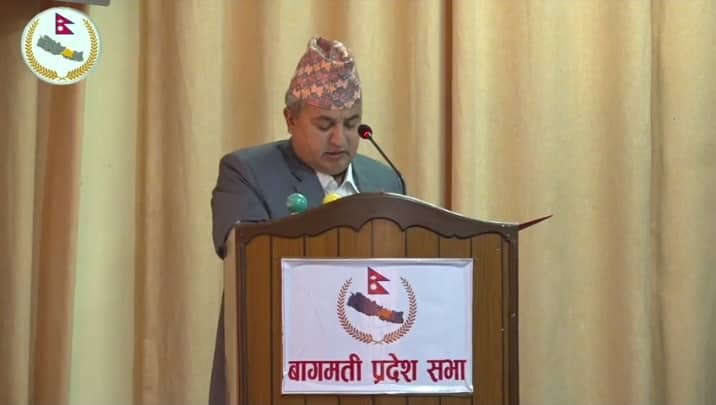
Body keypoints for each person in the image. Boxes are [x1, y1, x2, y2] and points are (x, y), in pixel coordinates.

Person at [208, 36, 404, 404]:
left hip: (368, 367)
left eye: (351, 124)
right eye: (324, 124)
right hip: (276, 364)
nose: (339, 139)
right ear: (291, 119)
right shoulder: (247, 172)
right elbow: (247, 259)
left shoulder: (385, 180)